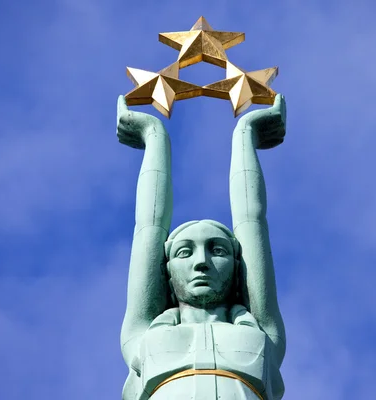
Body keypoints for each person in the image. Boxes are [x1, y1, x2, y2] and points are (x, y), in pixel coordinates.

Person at [117, 94, 287, 399]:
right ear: (166, 271)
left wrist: (246, 132)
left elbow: (252, 220)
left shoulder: (262, 332)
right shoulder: (141, 335)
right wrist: (153, 135)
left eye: (218, 250)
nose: (201, 262)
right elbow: (148, 227)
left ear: (237, 266)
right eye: (185, 252)